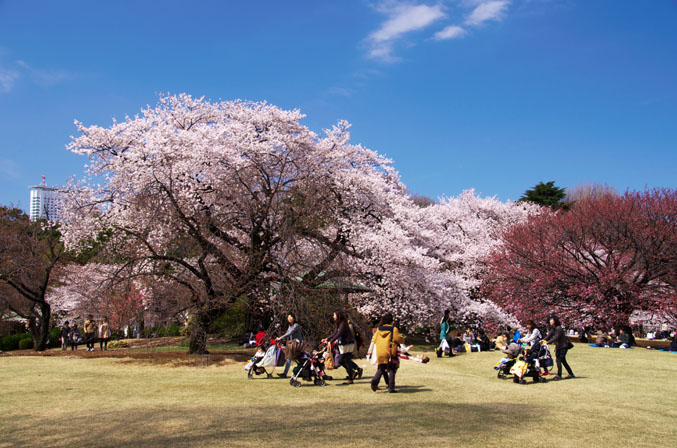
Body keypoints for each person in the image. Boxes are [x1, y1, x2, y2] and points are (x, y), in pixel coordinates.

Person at [322, 310, 362, 384]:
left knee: (344, 360)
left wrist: (330, 341)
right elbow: (335, 333)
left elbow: (339, 334)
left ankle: (351, 377)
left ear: (338, 316)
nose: (333, 316)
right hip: (344, 344)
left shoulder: (343, 324)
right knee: (343, 360)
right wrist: (327, 338)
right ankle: (352, 374)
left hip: (347, 344)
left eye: (334, 315)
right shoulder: (339, 324)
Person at [368, 313, 404, 393]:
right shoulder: (393, 329)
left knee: (381, 368)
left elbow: (374, 340)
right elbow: (399, 339)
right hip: (390, 352)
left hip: (380, 352)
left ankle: (375, 381)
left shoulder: (379, 329)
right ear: (391, 320)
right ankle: (391, 387)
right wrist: (402, 338)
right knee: (392, 369)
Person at [542, 315, 575, 380]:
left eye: (552, 320)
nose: (550, 321)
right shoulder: (553, 328)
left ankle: (559, 375)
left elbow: (556, 337)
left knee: (558, 360)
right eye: (550, 320)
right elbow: (549, 336)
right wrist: (543, 340)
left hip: (563, 347)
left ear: (555, 321)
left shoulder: (558, 328)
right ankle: (571, 374)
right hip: (558, 347)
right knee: (563, 361)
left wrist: (548, 342)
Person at [275, 313, 303, 378]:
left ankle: (285, 374)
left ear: (294, 318)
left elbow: (290, 333)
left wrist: (280, 338)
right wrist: (282, 339)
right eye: (288, 317)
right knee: (289, 358)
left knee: (290, 358)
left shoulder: (296, 325)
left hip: (297, 344)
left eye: (291, 317)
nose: (289, 319)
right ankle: (285, 373)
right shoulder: (290, 326)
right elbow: (287, 333)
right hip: (291, 344)